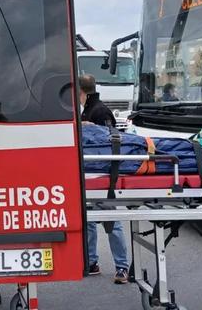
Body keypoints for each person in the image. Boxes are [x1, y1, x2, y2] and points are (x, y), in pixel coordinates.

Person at [79, 74, 130, 284]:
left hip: (104, 175)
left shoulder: (99, 111)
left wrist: (91, 127)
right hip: (92, 175)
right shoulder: (89, 109)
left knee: (112, 222)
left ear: (80, 91)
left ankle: (122, 266)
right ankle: (92, 262)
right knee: (90, 221)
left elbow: (112, 140)